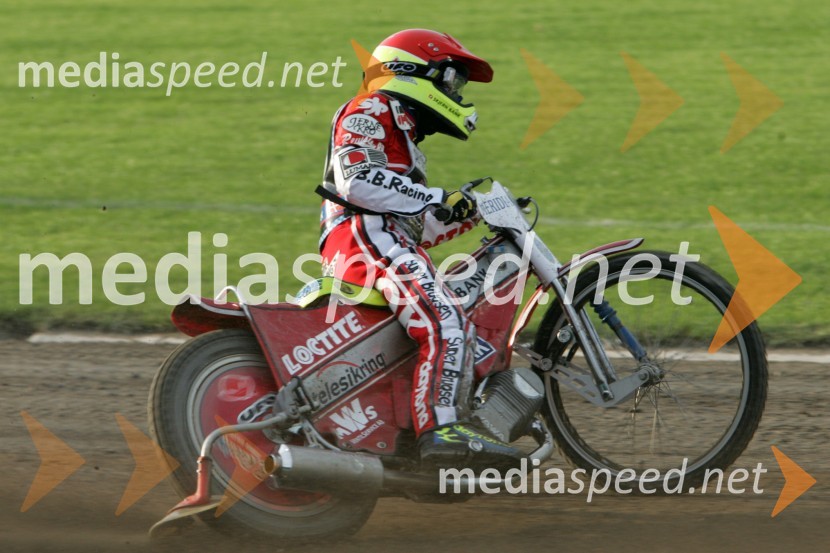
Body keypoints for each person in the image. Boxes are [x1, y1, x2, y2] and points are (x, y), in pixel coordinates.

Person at [316, 29, 524, 470]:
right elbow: (358, 181)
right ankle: (442, 429)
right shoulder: (368, 108)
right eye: (451, 80)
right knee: (445, 322)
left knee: (451, 319)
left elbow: (415, 223)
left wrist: (467, 213)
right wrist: (435, 198)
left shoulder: (401, 132)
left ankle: (419, 428)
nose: (457, 92)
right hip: (364, 237)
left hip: (380, 237)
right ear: (409, 72)